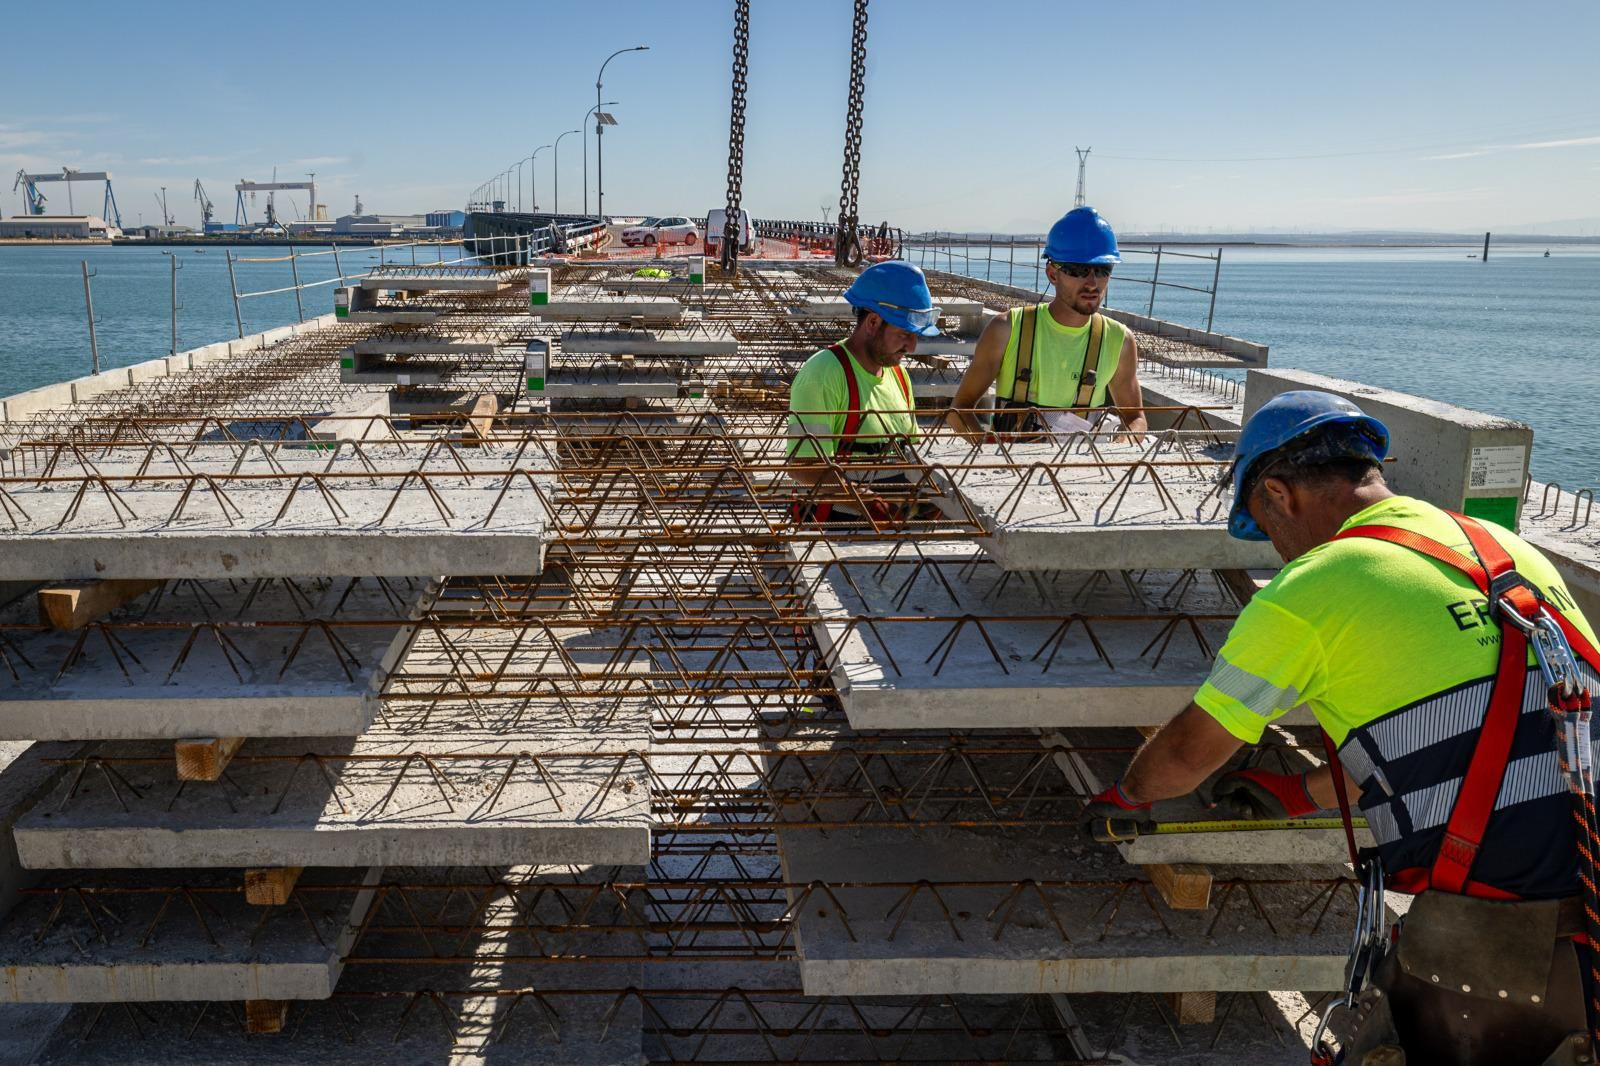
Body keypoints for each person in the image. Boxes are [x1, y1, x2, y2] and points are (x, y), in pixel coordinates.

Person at [1080, 390, 1600, 1065]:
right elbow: (1453, 734)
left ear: (1277, 494)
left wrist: (1127, 796)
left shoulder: (1312, 586)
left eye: (1265, 530)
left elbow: (1185, 754)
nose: (1277, 551)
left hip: (1510, 938)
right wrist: (1301, 794)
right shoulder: (1497, 547)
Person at [945, 206, 1147, 438]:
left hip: (1080, 470)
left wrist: (1123, 441)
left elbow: (1136, 418)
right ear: (1052, 274)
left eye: (1103, 270)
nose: (1093, 282)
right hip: (1011, 470)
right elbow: (958, 411)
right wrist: (986, 448)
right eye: (1079, 270)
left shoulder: (1118, 341)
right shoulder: (1007, 330)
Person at [786, 260, 940, 525]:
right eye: (904, 334)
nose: (912, 348)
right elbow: (805, 466)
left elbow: (912, 454)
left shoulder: (899, 376)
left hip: (892, 523)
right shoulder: (824, 373)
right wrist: (867, 501)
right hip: (837, 527)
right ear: (872, 322)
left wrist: (929, 498)